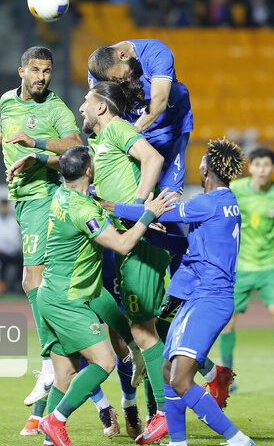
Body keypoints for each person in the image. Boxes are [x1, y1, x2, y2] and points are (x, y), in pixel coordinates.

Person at [0, 46, 83, 430]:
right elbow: (6, 133)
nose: (42, 77)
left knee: (32, 281)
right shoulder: (7, 100)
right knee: (59, 291)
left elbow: (76, 148)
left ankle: (47, 363)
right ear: (21, 70)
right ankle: (92, 392)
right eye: (36, 70)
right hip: (24, 204)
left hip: (45, 199)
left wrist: (38, 148)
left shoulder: (57, 110)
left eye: (48, 71)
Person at [104, 138, 257, 446]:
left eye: (200, 161)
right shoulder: (227, 203)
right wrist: (147, 236)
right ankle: (177, 442)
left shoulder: (207, 202)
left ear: (206, 169)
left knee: (181, 379)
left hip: (207, 298)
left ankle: (237, 439)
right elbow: (184, 246)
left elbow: (160, 213)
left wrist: (110, 205)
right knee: (166, 370)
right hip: (200, 296)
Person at [35, 145, 177, 446]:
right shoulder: (83, 209)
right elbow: (123, 245)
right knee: (104, 362)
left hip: (48, 296)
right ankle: (55, 421)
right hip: (68, 300)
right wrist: (149, 212)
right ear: (89, 171)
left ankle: (49, 441)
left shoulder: (64, 196)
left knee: (66, 375)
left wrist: (140, 221)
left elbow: (100, 208)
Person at [219, 146, 274, 395]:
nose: (261, 170)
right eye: (257, 165)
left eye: (266, 165)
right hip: (240, 267)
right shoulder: (235, 190)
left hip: (270, 267)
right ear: (250, 167)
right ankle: (227, 376)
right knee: (228, 321)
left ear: (273, 168)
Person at [87, 38, 193, 197]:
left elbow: (160, 100)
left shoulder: (155, 53)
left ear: (123, 55)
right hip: (133, 128)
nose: (125, 84)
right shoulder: (98, 71)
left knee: (168, 197)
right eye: (117, 82)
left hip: (169, 128)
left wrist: (134, 129)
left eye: (123, 78)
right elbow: (102, 112)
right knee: (129, 193)